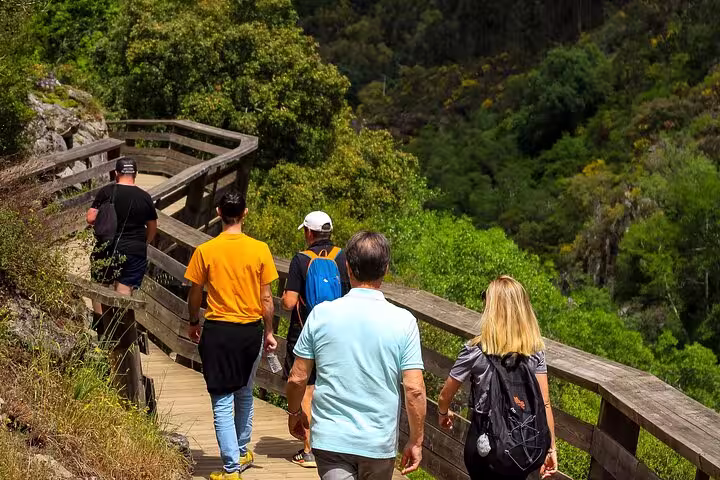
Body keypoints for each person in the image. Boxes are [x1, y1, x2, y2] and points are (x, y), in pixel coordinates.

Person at [286, 231, 427, 480]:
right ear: (385, 269)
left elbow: (298, 378)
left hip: (331, 440)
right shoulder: (403, 321)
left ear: (347, 268)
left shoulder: (321, 315)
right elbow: (414, 389)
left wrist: (295, 413)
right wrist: (416, 440)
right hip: (378, 441)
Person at [184, 191, 279, 480]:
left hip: (219, 332)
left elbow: (195, 292)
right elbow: (266, 299)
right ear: (245, 213)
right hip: (251, 331)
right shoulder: (260, 249)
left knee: (223, 399)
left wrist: (193, 320)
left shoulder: (206, 250)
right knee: (244, 392)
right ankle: (240, 450)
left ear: (218, 211)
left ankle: (230, 469)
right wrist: (270, 331)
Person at [436, 276, 558, 480]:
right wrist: (551, 448)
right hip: (523, 443)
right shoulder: (535, 351)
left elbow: (444, 395)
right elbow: (545, 404)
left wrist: (443, 412)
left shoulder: (475, 351)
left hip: (484, 440)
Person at [281, 210, 350, 468]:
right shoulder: (343, 256)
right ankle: (334, 444)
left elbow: (289, 302)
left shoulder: (301, 259)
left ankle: (309, 449)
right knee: (331, 384)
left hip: (305, 331)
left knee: (308, 386)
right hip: (338, 331)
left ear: (309, 233)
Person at [86, 157, 158, 296]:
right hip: (135, 249)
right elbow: (152, 226)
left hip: (108, 246)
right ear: (136, 174)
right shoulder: (145, 197)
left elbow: (90, 218)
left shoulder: (106, 191)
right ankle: (120, 318)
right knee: (124, 290)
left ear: (116, 173)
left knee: (100, 287)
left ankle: (99, 317)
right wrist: (144, 243)